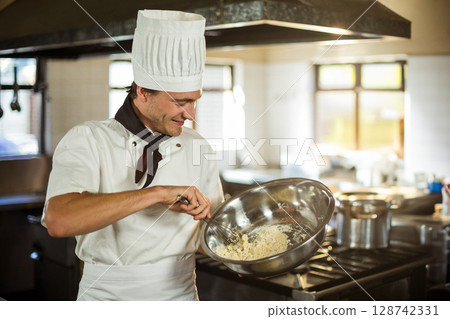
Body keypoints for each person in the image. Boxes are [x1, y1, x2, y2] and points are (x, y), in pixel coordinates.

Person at [41, 9, 224, 301]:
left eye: (195, 101)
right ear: (142, 92)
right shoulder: (88, 139)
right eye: (181, 102)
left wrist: (257, 237)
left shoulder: (197, 146)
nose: (190, 114)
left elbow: (209, 234)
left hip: (182, 297)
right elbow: (59, 220)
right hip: (108, 298)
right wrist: (157, 194)